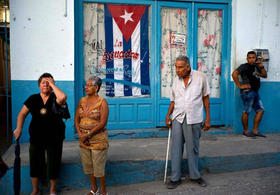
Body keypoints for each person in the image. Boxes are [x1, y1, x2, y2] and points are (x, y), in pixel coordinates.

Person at [13, 73, 68, 195]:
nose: (46, 84)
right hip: (36, 137)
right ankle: (35, 190)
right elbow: (22, 114)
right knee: (35, 162)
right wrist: (18, 128)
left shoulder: (56, 97)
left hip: (55, 137)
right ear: (39, 85)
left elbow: (63, 97)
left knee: (53, 162)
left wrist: (52, 84)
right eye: (44, 82)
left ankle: (52, 190)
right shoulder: (33, 98)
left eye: (49, 82)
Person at [165, 56, 211, 189]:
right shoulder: (175, 80)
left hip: (194, 118)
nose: (177, 70)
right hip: (178, 117)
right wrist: (168, 115)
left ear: (188, 67)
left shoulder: (200, 77)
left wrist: (208, 118)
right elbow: (173, 100)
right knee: (176, 149)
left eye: (180, 67)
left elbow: (206, 98)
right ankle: (175, 177)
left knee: (193, 148)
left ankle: (195, 176)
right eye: (176, 67)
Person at [75, 76, 109, 195]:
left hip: (98, 140)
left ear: (96, 88)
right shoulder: (82, 100)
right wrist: (80, 134)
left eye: (89, 85)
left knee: (98, 169)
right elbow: (76, 119)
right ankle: (94, 189)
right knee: (88, 167)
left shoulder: (102, 102)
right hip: (83, 141)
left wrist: (88, 134)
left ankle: (103, 190)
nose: (86, 87)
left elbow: (103, 122)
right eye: (86, 85)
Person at [232, 51, 267, 138]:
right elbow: (234, 74)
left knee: (260, 110)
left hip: (255, 91)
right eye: (250, 58)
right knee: (246, 111)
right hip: (248, 91)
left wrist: (261, 67)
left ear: (255, 58)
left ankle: (255, 131)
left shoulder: (257, 66)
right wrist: (240, 85)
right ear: (247, 59)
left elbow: (264, 75)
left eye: (253, 57)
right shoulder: (244, 66)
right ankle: (246, 131)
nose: (251, 59)